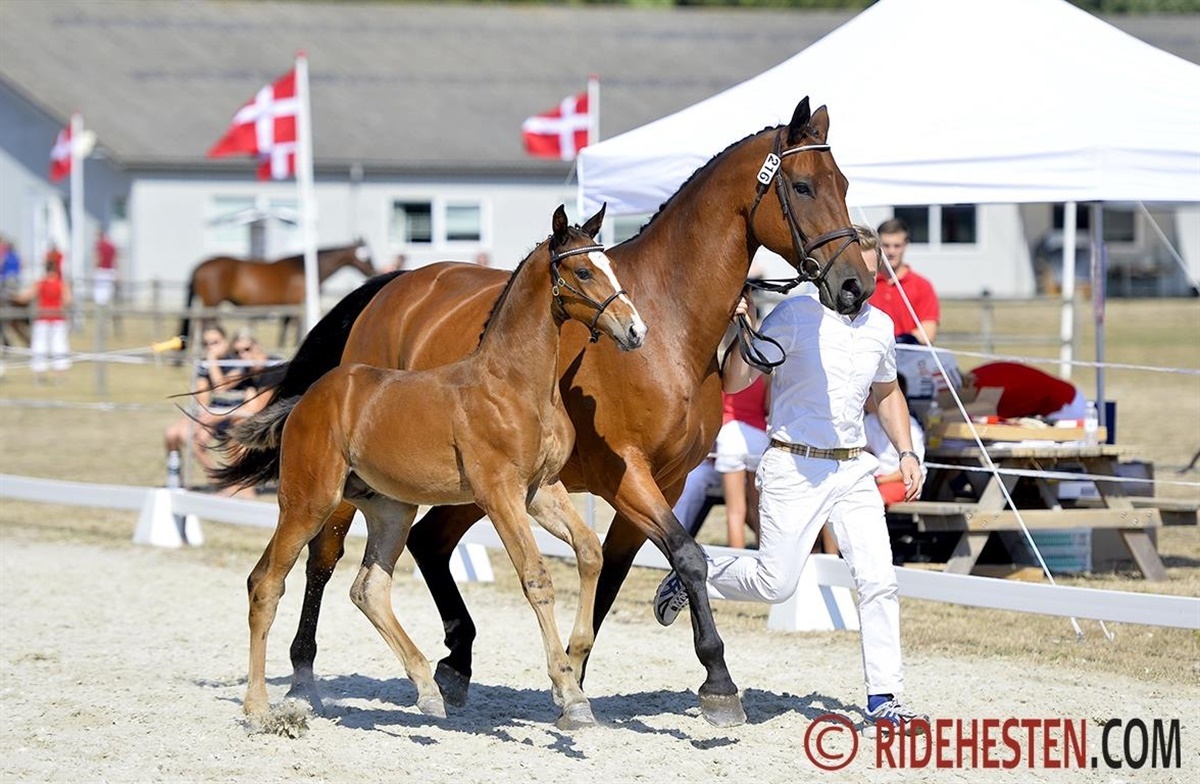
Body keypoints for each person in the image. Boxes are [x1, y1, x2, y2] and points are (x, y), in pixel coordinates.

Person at [653, 224, 927, 734]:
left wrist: (906, 451)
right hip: (794, 466)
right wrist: (744, 328)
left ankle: (884, 700)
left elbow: (887, 392)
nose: (860, 281)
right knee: (775, 584)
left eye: (869, 273)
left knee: (879, 580)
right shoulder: (796, 314)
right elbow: (736, 380)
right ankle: (698, 570)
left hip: (853, 467)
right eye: (854, 270)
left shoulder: (881, 326)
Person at [162, 325, 253, 486]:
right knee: (171, 433)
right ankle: (174, 476)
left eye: (215, 342)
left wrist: (212, 360)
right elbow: (202, 395)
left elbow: (221, 386)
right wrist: (197, 416)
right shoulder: (205, 364)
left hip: (232, 415)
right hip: (211, 412)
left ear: (225, 341)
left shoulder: (237, 361)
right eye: (207, 344)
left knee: (189, 436)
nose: (211, 347)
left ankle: (220, 480)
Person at [713, 376, 769, 549]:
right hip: (757, 435)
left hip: (729, 434)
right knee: (759, 509)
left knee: (735, 512)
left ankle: (736, 557)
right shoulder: (764, 374)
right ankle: (762, 555)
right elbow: (768, 406)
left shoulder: (728, 370)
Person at [868, 218, 940, 346]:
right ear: (877, 246)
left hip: (908, 354)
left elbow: (928, 333)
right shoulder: (867, 282)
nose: (891, 252)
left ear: (906, 244)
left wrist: (898, 341)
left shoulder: (922, 285)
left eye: (897, 246)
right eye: (886, 245)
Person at [865, 376, 927, 507]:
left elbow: (912, 470)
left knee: (871, 500)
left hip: (904, 483)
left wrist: (880, 481)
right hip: (877, 479)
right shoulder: (870, 421)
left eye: (870, 393)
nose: (865, 398)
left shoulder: (911, 427)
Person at [954, 361, 1086, 421]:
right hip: (1066, 395)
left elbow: (1003, 422)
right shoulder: (976, 376)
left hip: (1067, 405)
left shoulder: (992, 394)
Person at [11, 258, 72, 383]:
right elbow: (68, 301)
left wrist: (13, 296)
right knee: (59, 345)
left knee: (39, 346)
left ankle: (39, 375)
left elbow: (25, 297)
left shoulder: (40, 283)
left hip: (43, 318)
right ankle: (60, 375)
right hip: (57, 318)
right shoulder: (61, 284)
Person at [93, 230, 117, 306]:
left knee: (100, 291)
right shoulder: (112, 246)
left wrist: (95, 266)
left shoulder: (100, 245)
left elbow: (99, 258)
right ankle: (107, 305)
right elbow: (115, 259)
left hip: (101, 270)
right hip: (110, 270)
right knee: (108, 290)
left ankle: (101, 306)